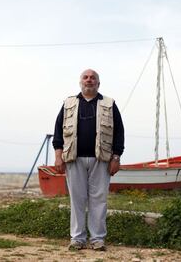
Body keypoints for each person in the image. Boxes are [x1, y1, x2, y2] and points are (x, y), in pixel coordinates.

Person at [52, 69, 125, 251]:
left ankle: (97, 239)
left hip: (101, 159)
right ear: (80, 82)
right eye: (86, 77)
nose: (89, 80)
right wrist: (58, 156)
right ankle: (77, 238)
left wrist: (116, 157)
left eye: (93, 78)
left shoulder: (109, 104)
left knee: (99, 200)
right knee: (77, 199)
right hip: (73, 159)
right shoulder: (69, 103)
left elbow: (119, 132)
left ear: (98, 83)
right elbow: (58, 130)